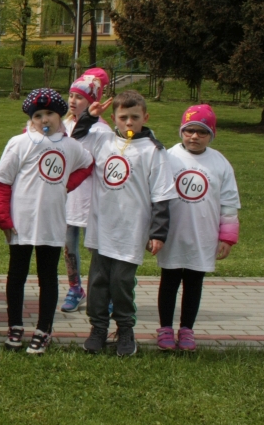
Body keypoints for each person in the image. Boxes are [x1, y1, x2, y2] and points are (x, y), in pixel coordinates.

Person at [72, 90, 176, 357]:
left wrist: (158, 232)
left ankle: (126, 330)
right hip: (102, 227)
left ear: (145, 117)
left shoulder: (154, 151)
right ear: (114, 118)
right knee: (97, 282)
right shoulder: (103, 141)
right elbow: (74, 143)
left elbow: (162, 195)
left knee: (121, 283)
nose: (129, 123)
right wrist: (88, 117)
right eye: (123, 117)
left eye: (134, 117)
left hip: (131, 231)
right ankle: (97, 329)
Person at [0, 89, 94, 355]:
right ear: (31, 119)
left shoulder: (71, 146)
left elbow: (87, 165)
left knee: (47, 277)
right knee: (17, 276)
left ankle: (43, 329)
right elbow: (2, 182)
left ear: (61, 116)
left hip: (51, 222)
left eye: (50, 113)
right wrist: (3, 218)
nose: (44, 119)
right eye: (38, 115)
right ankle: (15, 326)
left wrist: (66, 186)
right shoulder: (20, 143)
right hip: (21, 223)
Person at [156, 105, 240, 352]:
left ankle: (187, 329)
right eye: (189, 130)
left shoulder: (220, 163)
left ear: (211, 134)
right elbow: (156, 195)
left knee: (194, 283)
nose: (194, 136)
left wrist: (227, 237)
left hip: (203, 235)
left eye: (201, 132)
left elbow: (229, 202)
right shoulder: (168, 157)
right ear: (181, 131)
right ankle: (165, 329)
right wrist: (154, 233)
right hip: (173, 234)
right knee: (169, 282)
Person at [61, 68, 112, 313]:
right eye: (71, 95)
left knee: (97, 247)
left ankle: (102, 291)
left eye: (79, 97)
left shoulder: (102, 131)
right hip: (66, 197)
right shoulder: (63, 125)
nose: (72, 101)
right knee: (68, 245)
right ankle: (75, 288)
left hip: (91, 198)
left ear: (93, 102)